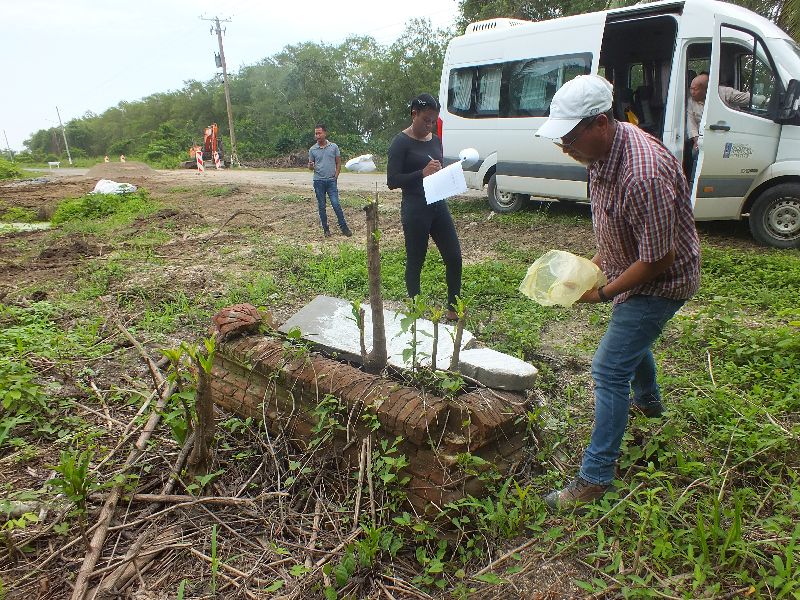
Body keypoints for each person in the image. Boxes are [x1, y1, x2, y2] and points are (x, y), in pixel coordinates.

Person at [535, 75, 701, 511]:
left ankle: (595, 477)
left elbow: (658, 260)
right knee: (630, 342)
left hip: (661, 282)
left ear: (601, 123)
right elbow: (616, 229)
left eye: (571, 138)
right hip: (633, 269)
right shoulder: (602, 154)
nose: (566, 148)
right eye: (561, 140)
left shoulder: (641, 173)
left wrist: (605, 292)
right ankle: (649, 405)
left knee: (609, 370)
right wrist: (592, 266)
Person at [387, 93, 463, 321]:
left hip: (438, 204)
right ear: (414, 114)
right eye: (425, 120)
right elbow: (392, 181)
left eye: (433, 121)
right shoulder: (400, 142)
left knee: (454, 256)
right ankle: (416, 310)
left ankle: (452, 309)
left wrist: (444, 172)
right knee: (416, 260)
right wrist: (421, 172)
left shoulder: (435, 139)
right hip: (415, 208)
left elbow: (436, 166)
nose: (429, 125)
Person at [686, 72, 765, 178]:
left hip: (729, 136)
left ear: (706, 89)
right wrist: (697, 141)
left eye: (694, 89)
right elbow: (692, 125)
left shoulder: (725, 92)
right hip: (704, 139)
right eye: (691, 88)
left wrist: (765, 101)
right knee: (695, 154)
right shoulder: (691, 102)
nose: (691, 92)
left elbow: (747, 98)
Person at [308, 124, 352, 237]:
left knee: (336, 204)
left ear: (325, 133)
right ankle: (326, 229)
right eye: (316, 133)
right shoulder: (312, 149)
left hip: (331, 181)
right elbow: (310, 167)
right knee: (322, 206)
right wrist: (311, 166)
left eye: (319, 133)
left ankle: (344, 228)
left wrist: (336, 176)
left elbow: (338, 163)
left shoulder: (334, 147)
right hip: (318, 181)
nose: (317, 135)